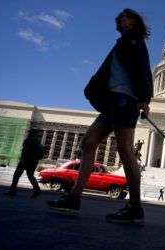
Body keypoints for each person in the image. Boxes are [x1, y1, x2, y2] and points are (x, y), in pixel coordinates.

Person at [47, 8, 153, 224]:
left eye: (126, 16)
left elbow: (144, 69)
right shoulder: (122, 42)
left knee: (125, 149)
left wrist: (144, 98)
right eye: (120, 17)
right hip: (112, 101)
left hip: (126, 100)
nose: (121, 18)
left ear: (134, 21)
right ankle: (74, 197)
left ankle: (134, 206)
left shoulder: (135, 42)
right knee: (89, 142)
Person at [4, 130, 44, 198]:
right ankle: (37, 190)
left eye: (30, 133)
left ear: (31, 134)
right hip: (33, 162)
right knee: (30, 176)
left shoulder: (28, 140)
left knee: (16, 176)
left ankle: (12, 191)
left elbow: (25, 151)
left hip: (25, 161)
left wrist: (23, 160)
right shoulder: (38, 142)